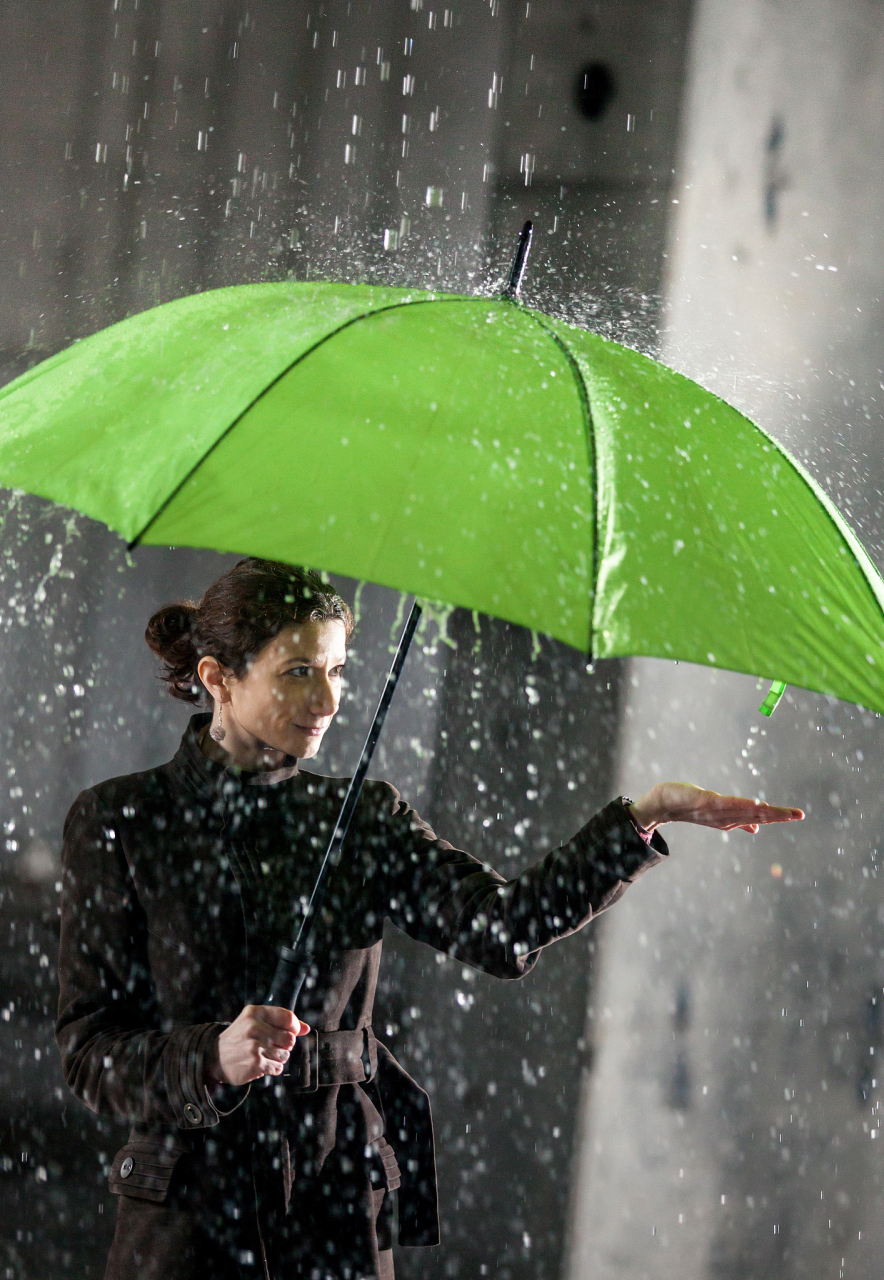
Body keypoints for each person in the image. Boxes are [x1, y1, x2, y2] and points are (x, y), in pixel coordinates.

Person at [55, 558, 803, 1280]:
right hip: (187, 1219)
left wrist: (640, 820)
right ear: (219, 679)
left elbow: (503, 928)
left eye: (339, 670)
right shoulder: (122, 820)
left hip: (334, 1209)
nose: (328, 700)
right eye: (299, 672)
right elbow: (91, 1052)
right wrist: (211, 1059)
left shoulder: (362, 820)